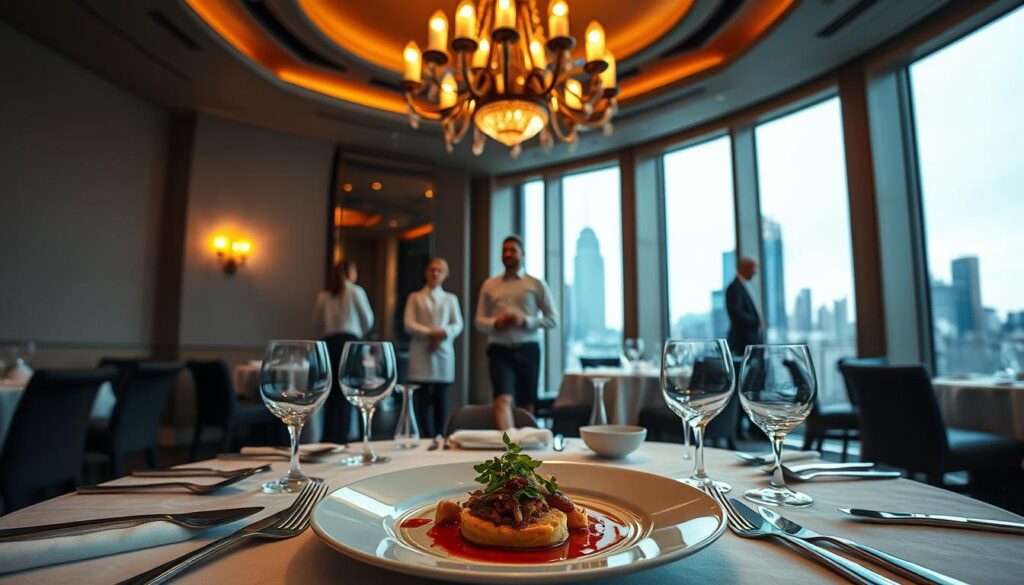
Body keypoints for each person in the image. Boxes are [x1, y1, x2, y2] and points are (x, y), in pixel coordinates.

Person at [475, 235, 558, 430]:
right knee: (501, 400)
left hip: (528, 349)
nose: (508, 254)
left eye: (512, 250)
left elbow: (552, 319)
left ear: (523, 254)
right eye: (504, 250)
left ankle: (525, 453)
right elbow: (479, 321)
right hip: (499, 350)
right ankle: (510, 450)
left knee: (526, 406)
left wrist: (525, 321)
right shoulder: (489, 285)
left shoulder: (536, 284)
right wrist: (496, 323)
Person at [313, 259, 374, 442]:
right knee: (349, 392)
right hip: (350, 344)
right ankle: (344, 439)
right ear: (350, 272)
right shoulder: (356, 291)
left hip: (329, 344)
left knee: (330, 394)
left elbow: (317, 323)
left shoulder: (324, 295)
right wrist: (359, 333)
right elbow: (368, 320)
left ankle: (329, 439)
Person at [404, 257, 464, 437]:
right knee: (422, 400)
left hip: (443, 352)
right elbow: (409, 324)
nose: (435, 273)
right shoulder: (415, 297)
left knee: (440, 399)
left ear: (445, 275)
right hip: (421, 353)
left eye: (439, 270)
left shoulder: (450, 299)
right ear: (426, 272)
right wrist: (430, 332)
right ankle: (425, 436)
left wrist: (443, 333)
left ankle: (439, 436)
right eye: (432, 269)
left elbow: (457, 324)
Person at [725, 256, 764, 357]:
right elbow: (736, 312)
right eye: (754, 269)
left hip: (750, 341)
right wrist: (756, 321)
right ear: (746, 268)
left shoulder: (743, 285)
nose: (755, 273)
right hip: (742, 342)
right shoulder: (734, 287)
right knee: (744, 371)